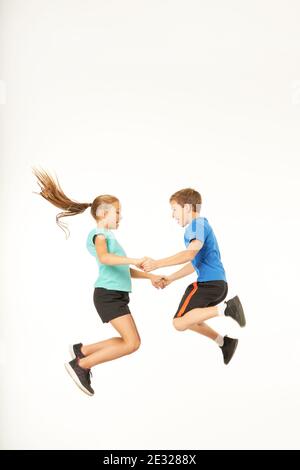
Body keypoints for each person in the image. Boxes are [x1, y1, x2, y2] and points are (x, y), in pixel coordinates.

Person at [33, 168, 161, 396]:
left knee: (129, 341)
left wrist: (149, 276)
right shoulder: (99, 234)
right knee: (132, 343)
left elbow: (122, 269)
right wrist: (135, 259)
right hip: (108, 295)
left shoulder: (110, 237)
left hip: (115, 294)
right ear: (103, 213)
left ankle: (82, 351)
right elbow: (104, 258)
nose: (120, 217)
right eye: (117, 212)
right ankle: (81, 364)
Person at [142, 188, 246, 365]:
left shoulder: (197, 225)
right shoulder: (202, 226)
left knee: (178, 323)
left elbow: (189, 255)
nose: (172, 215)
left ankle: (227, 309)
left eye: (174, 209)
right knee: (191, 319)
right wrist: (171, 278)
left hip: (209, 284)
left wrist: (157, 263)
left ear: (188, 208)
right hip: (217, 285)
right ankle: (223, 342)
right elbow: (193, 263)